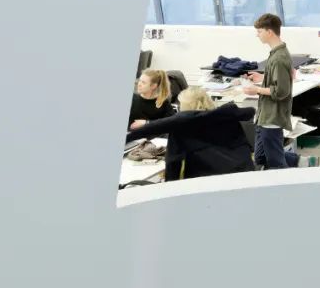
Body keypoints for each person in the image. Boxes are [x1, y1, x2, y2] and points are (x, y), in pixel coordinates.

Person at [125, 86, 254, 181]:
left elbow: (173, 162)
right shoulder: (228, 117)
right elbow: (251, 112)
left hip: (207, 183)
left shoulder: (182, 126)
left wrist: (169, 188)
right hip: (244, 176)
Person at [243, 12, 296, 170]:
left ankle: (292, 179)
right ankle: (301, 161)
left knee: (276, 162)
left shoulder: (279, 58)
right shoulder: (276, 54)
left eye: (259, 31)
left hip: (272, 117)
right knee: (260, 157)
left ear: (270, 32)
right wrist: (263, 77)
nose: (257, 35)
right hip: (264, 116)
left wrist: (256, 90)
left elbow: (281, 91)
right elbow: (277, 79)